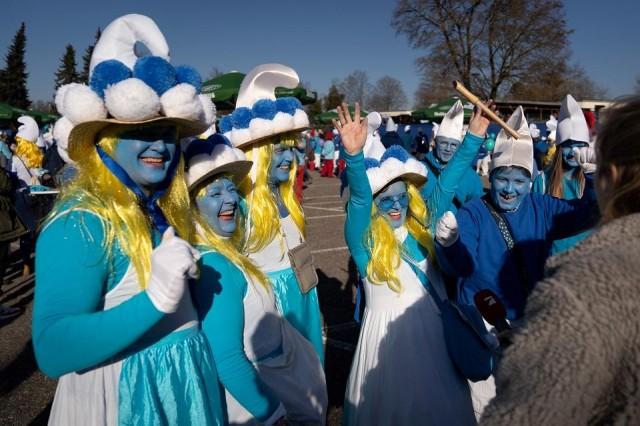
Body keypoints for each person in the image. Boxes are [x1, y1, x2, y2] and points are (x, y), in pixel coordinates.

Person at [32, 14, 223, 425]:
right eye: (139, 130)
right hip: (121, 404)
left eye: (167, 131)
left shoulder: (158, 209)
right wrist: (154, 299)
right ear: (104, 141)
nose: (159, 144)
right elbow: (52, 349)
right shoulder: (81, 221)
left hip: (181, 393)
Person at [480, 95, 640, 426]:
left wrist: (523, 357)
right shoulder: (542, 184)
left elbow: (525, 413)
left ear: (608, 175)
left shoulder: (577, 293)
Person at [337, 102, 478, 425]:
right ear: (374, 204)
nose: (397, 205)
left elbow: (446, 185)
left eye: (402, 196)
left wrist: (473, 138)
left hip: (437, 344)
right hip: (385, 351)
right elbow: (359, 197)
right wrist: (354, 157)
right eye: (386, 200)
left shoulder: (422, 228)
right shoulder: (363, 241)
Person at [185, 135, 327, 425]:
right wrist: (275, 415)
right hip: (253, 403)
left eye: (231, 190)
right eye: (215, 193)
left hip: (275, 374)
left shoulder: (227, 253)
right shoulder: (215, 264)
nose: (230, 199)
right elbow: (228, 360)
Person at [435, 106, 599, 321]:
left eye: (519, 182)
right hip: (484, 320)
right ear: (491, 177)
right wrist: (450, 245)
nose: (509, 190)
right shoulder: (473, 212)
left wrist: (594, 181)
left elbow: (587, 215)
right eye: (502, 179)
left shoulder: (541, 207)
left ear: (530, 183)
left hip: (529, 316)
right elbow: (464, 267)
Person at [218, 63, 324, 364]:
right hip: (268, 312)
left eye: (292, 149)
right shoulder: (235, 204)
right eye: (280, 150)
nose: (290, 158)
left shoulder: (287, 197)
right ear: (258, 151)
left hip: (302, 300)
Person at [533, 95, 594, 254]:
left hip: (586, 259)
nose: (574, 152)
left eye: (580, 146)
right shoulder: (543, 180)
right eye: (568, 146)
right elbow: (535, 222)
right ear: (559, 148)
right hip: (551, 260)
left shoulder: (594, 181)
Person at [421, 101, 484, 215]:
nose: (448, 149)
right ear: (435, 143)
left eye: (453, 145)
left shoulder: (470, 176)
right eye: (444, 143)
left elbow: (478, 210)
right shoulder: (419, 169)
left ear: (459, 147)